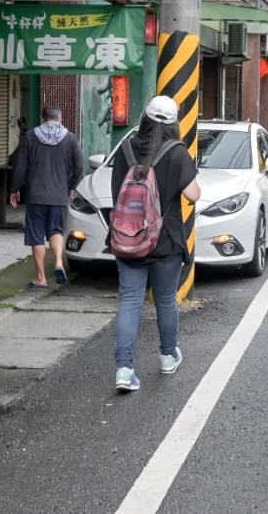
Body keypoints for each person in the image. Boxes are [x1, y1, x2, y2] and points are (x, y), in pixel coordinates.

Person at [110, 96, 200, 392]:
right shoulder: (177, 153)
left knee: (130, 301)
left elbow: (115, 191)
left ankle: (124, 370)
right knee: (165, 300)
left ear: (144, 118)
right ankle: (167, 355)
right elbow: (193, 195)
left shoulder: (124, 148)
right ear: (174, 124)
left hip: (129, 239)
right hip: (165, 242)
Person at [9, 105, 84, 289]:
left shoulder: (30, 137)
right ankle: (58, 261)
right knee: (56, 231)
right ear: (61, 119)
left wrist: (15, 189)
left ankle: (41, 278)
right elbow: (80, 167)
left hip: (35, 195)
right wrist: (70, 186)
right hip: (58, 195)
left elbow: (20, 166)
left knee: (36, 237)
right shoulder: (71, 139)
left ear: (42, 119)